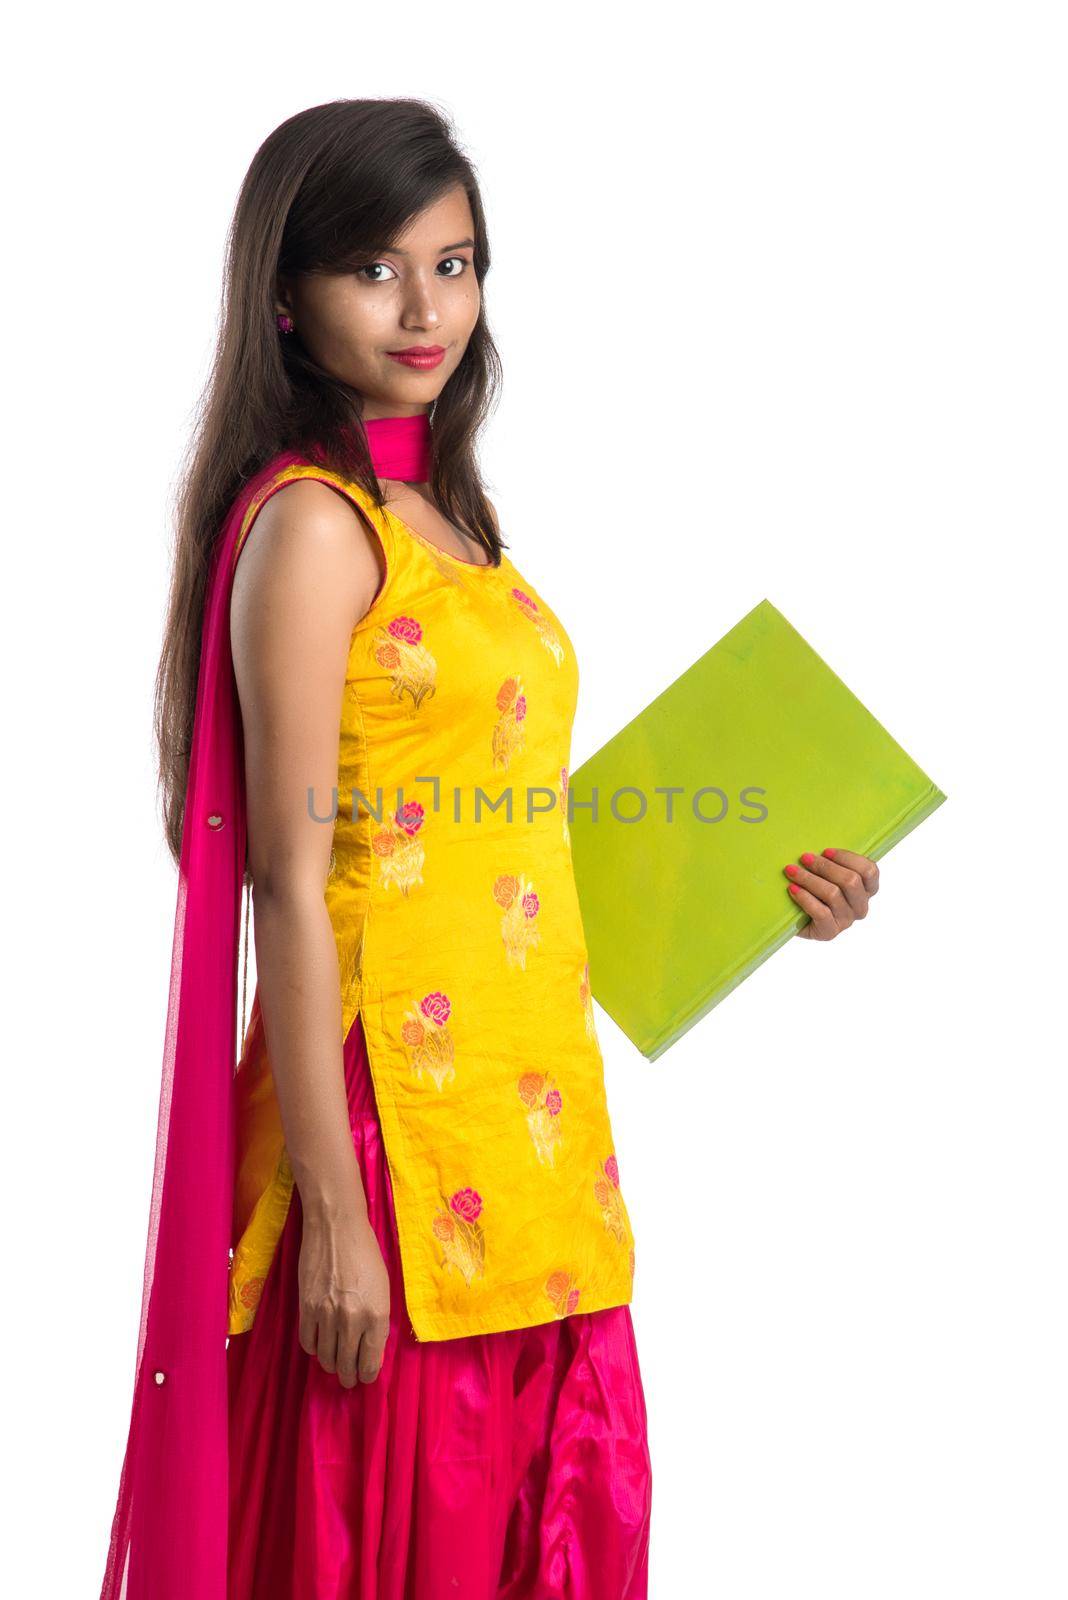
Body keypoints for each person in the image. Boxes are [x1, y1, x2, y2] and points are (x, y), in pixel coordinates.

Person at [100, 98, 881, 1600]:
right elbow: (288, 879)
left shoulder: (452, 519)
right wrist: (332, 1201)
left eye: (455, 265)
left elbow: (498, 842)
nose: (425, 309)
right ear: (286, 291)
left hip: (532, 1137)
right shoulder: (320, 526)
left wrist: (767, 890)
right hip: (390, 1130)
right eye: (376, 270)